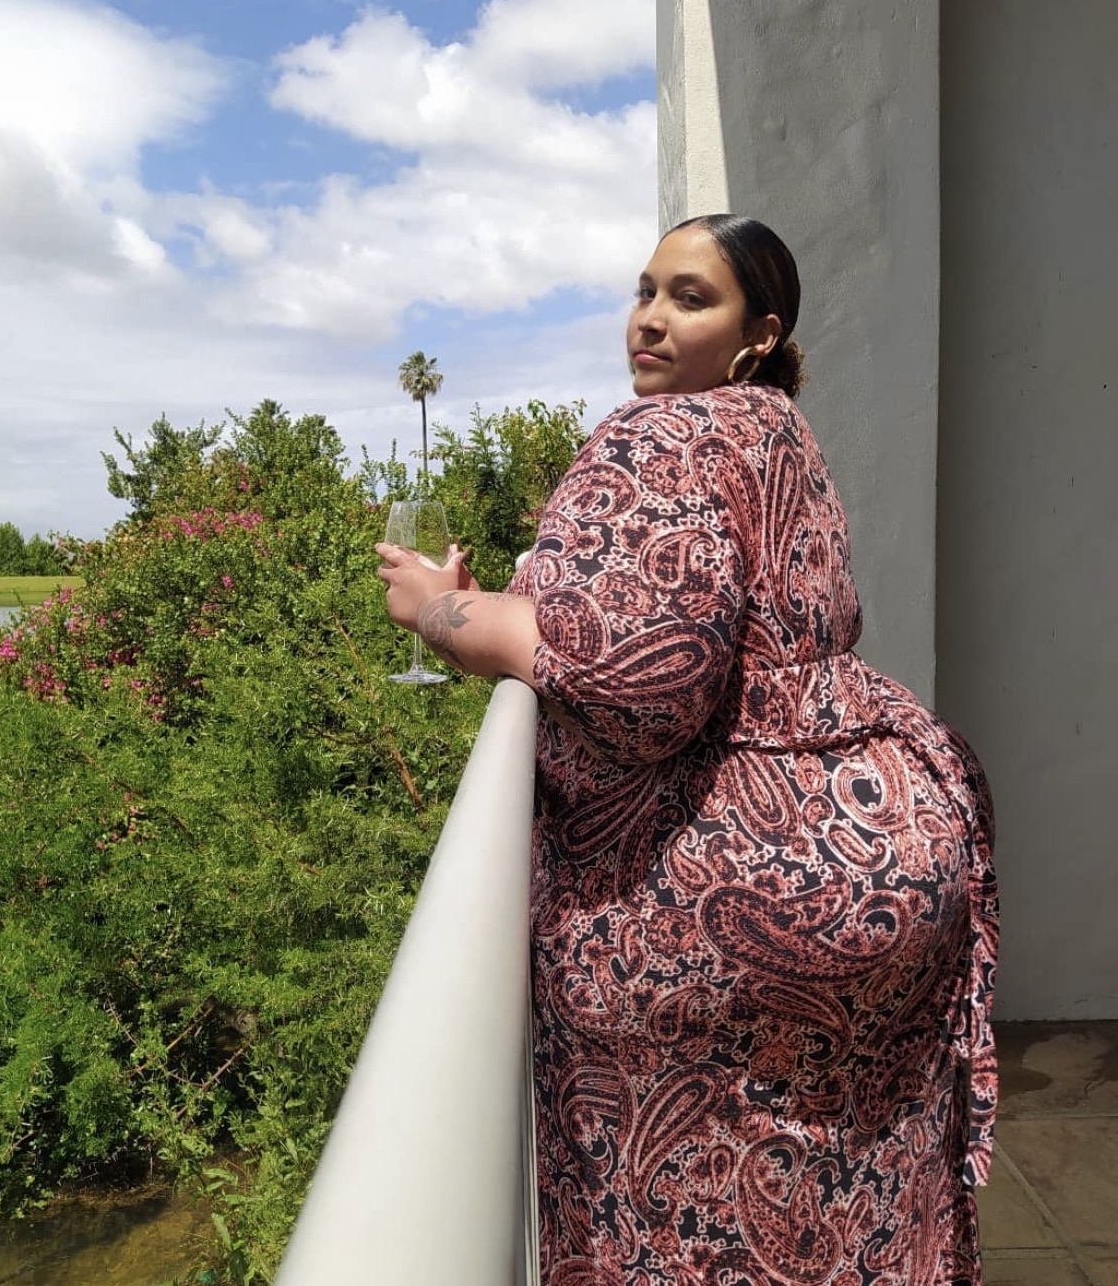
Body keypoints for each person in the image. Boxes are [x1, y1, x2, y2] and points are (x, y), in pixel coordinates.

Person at [377, 215, 997, 1286]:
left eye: (689, 297)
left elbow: (637, 679)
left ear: (759, 333)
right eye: (645, 291)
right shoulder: (781, 430)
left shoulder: (658, 435)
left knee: (691, 1217)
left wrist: (440, 610)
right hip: (894, 853)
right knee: (855, 1194)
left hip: (734, 897)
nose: (650, 319)